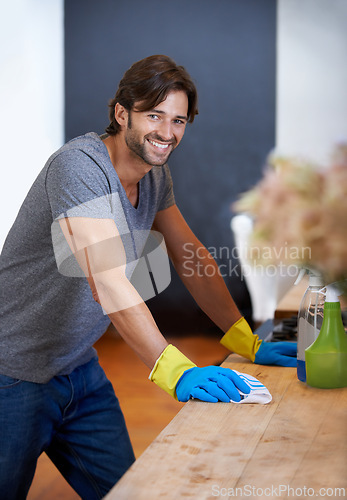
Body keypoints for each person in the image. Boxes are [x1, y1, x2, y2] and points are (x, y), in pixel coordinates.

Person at [0, 54, 296, 499]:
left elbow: (191, 256)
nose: (167, 132)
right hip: (13, 374)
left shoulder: (155, 176)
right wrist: (172, 369)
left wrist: (243, 338)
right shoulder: (78, 167)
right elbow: (108, 279)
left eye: (178, 120)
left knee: (129, 491)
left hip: (79, 369)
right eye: (153, 115)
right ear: (122, 114)